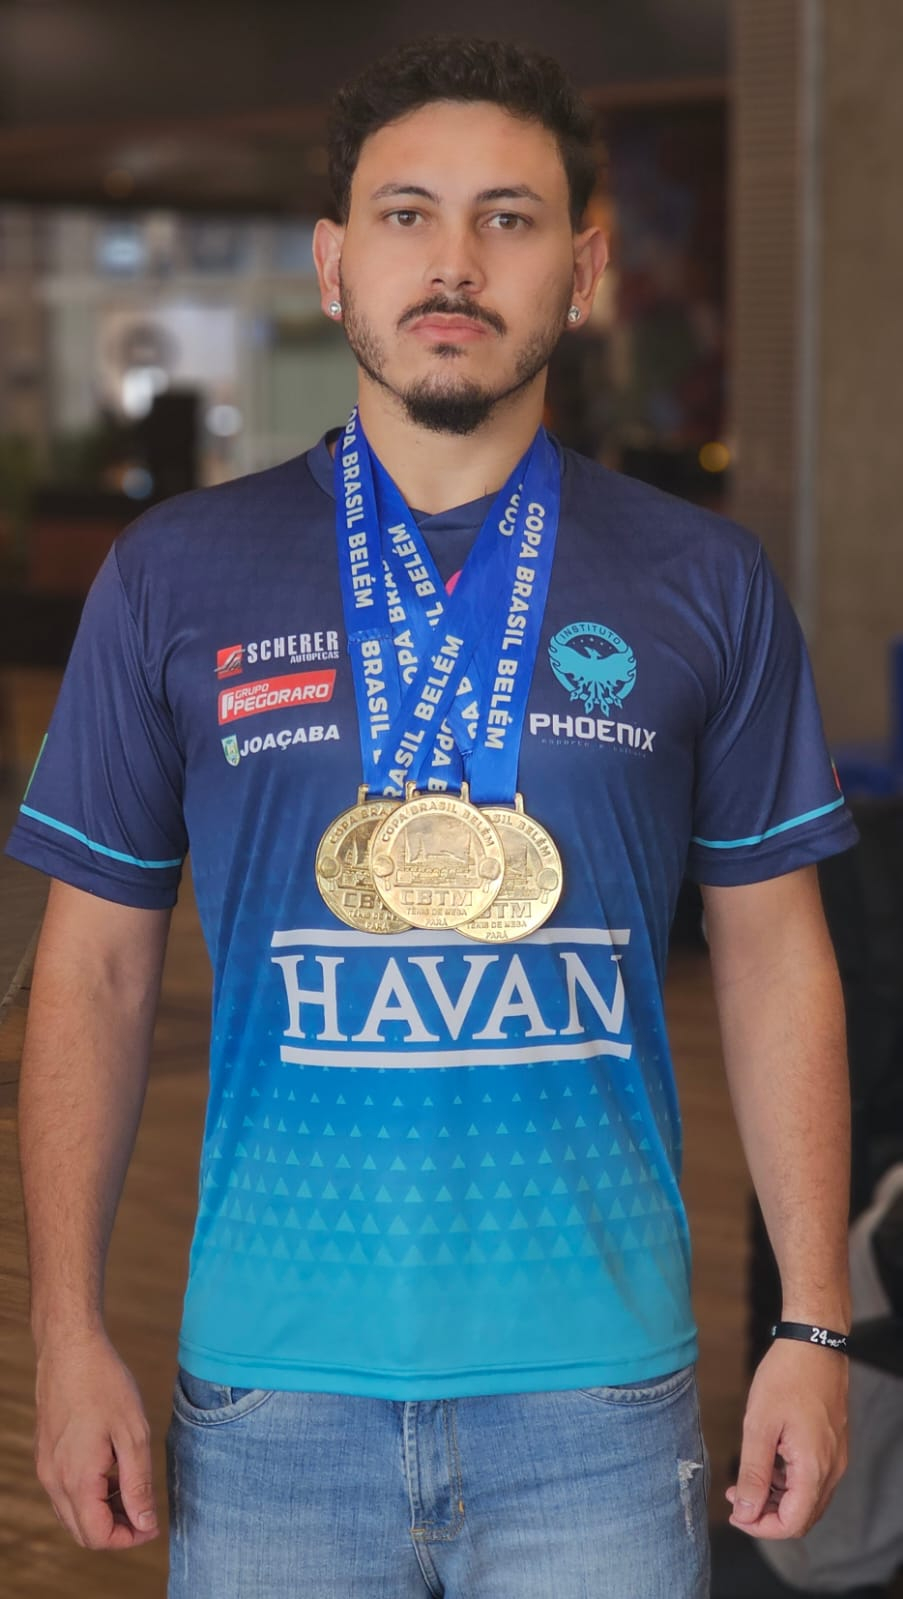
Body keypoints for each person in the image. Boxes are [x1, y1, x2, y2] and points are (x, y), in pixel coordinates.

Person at [6, 36, 857, 1599]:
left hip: (601, 1405)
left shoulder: (704, 581)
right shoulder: (175, 576)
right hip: (268, 1401)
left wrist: (814, 1320)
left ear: (582, 273)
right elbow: (97, 973)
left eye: (507, 219)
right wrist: (64, 1334)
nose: (454, 262)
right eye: (407, 214)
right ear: (335, 263)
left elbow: (773, 956)